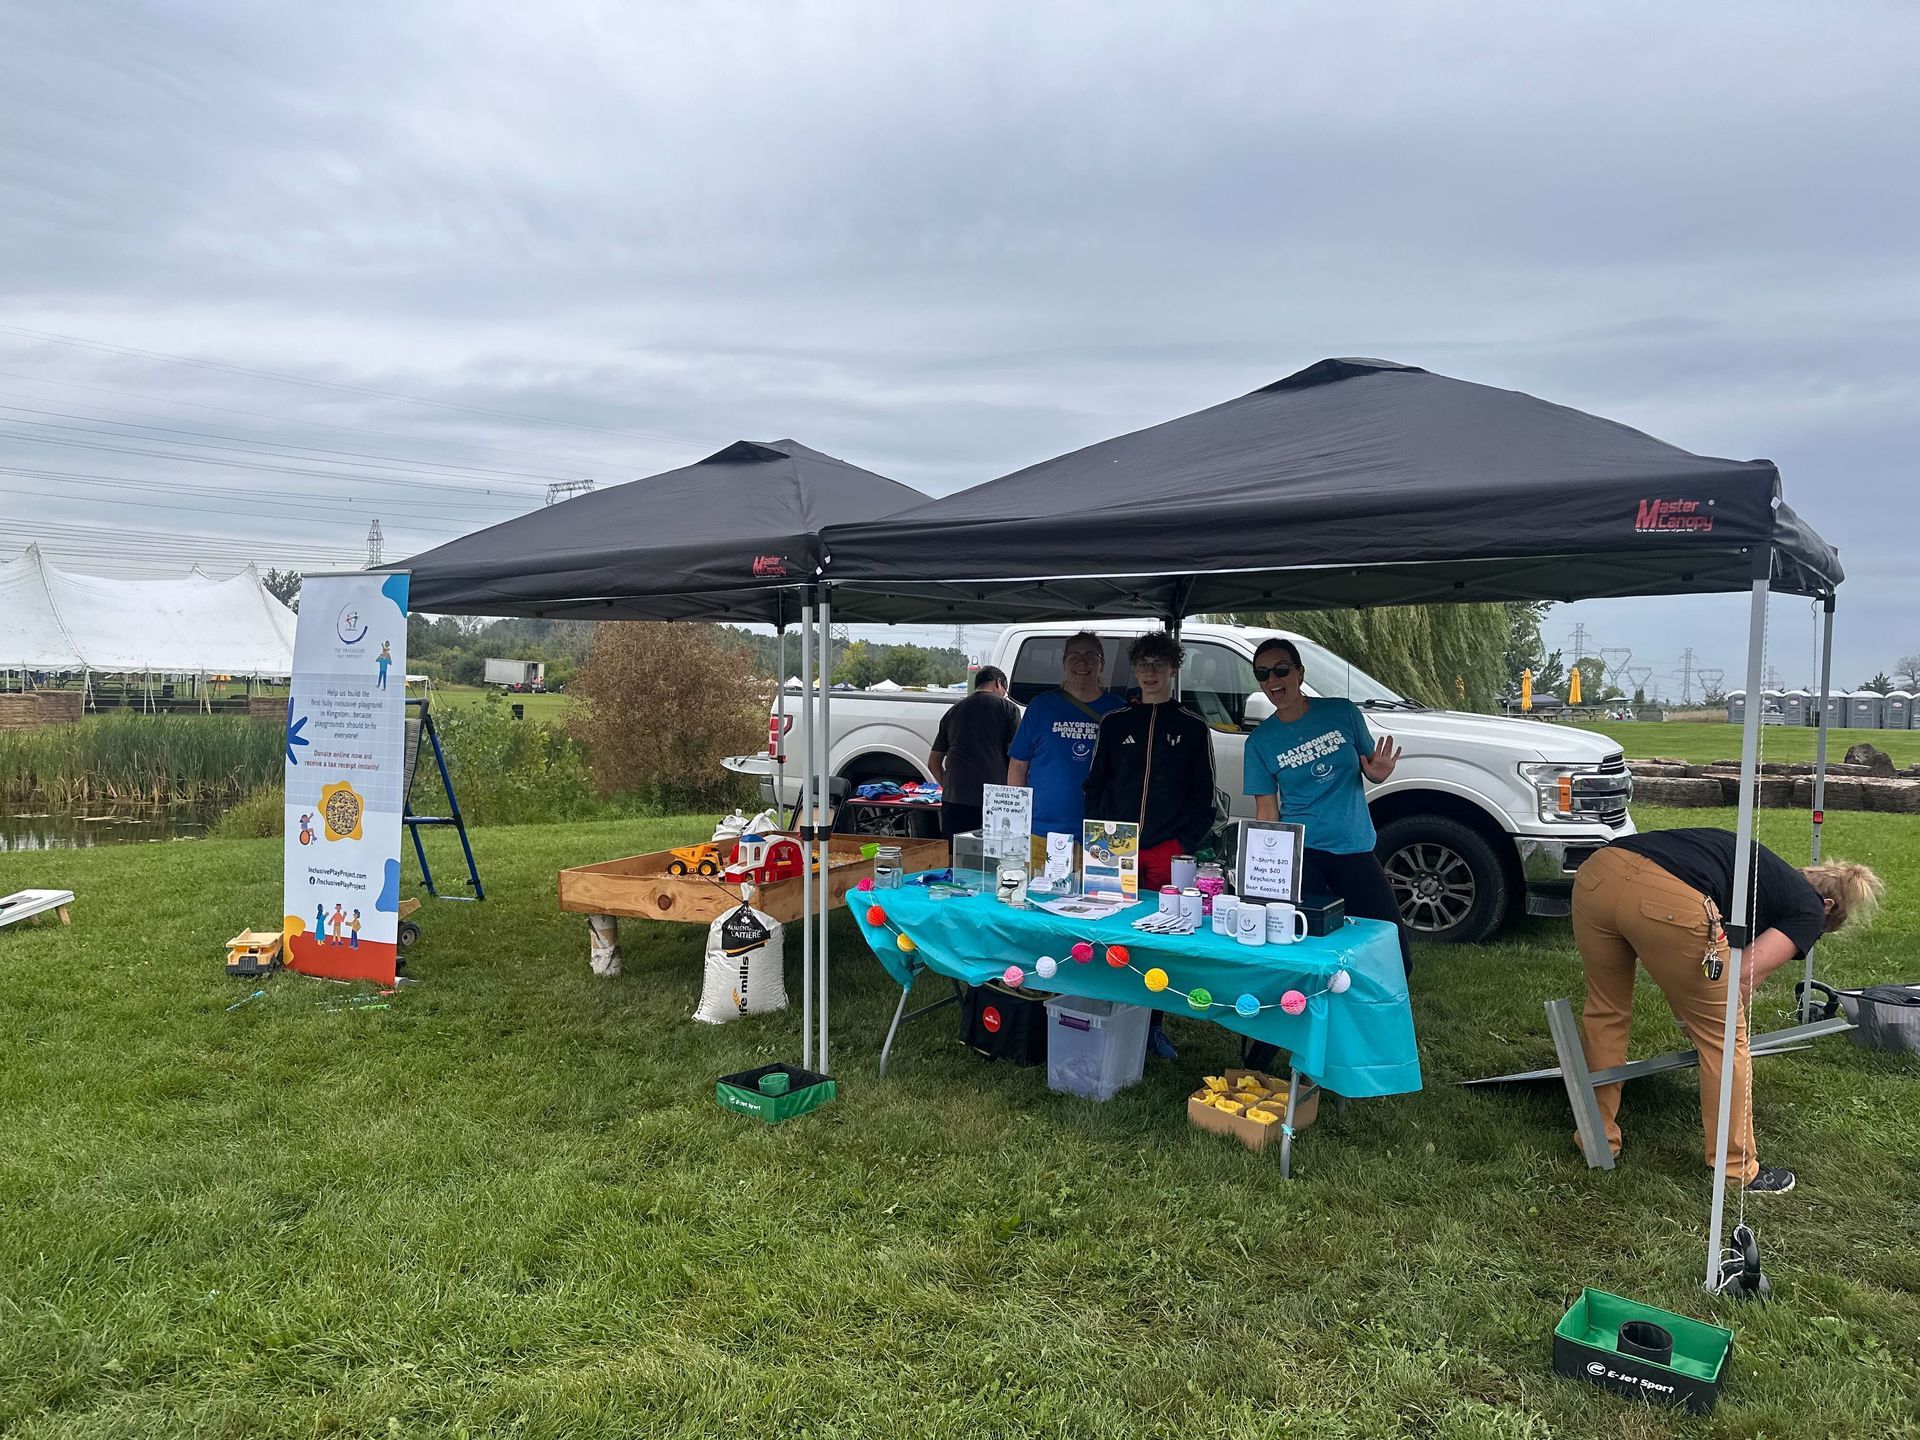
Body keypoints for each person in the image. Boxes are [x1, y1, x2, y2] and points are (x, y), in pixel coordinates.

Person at [1572, 829, 1882, 1194]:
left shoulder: (1761, 872)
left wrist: (1688, 1004)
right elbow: (1742, 976)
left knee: (1606, 1010)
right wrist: (1699, 1016)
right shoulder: (1809, 907)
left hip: (1598, 874)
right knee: (1724, 1037)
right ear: (1828, 907)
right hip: (1667, 898)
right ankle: (1737, 1168)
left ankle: (1597, 1134)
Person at [1241, 637, 1409, 974]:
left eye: (1281, 670)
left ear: (1299, 672)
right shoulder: (1260, 742)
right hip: (1305, 857)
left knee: (1392, 951)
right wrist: (1263, 873)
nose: (1273, 681)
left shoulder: (1342, 712)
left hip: (1355, 848)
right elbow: (1268, 813)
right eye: (1263, 674)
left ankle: (1378, 1009)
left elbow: (1371, 766)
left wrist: (1378, 773)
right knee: (1313, 951)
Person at [1082, 631, 1217, 891]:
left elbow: (1205, 795)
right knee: (1109, 917)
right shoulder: (1114, 722)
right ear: (1135, 670)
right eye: (1144, 664)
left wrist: (1184, 843)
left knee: (1164, 920)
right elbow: (1094, 783)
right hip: (1113, 841)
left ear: (1173, 669)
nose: (1151, 672)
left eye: (1159, 664)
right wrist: (1099, 833)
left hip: (1168, 847)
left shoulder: (1193, 726)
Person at [1007, 631, 1126, 839]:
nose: (1082, 663)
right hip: (1041, 830)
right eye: (1074, 657)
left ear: (1102, 664)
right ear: (1064, 663)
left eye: (1091, 657)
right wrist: (1016, 821)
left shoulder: (1118, 711)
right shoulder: (1041, 706)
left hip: (1103, 832)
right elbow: (1018, 765)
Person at [928, 666, 1022, 839]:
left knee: (954, 854)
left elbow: (933, 762)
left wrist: (948, 785)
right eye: (1005, 691)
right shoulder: (1008, 709)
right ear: (998, 683)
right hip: (995, 798)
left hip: (955, 797)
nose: (1004, 695)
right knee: (992, 857)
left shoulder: (953, 711)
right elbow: (1015, 756)